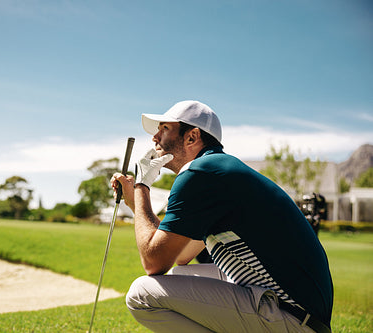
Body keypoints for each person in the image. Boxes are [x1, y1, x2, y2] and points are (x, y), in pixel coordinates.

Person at [111, 100, 333, 333]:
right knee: (179, 275)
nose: (155, 137)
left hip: (291, 317)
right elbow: (179, 254)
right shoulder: (215, 171)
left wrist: (142, 185)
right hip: (297, 314)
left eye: (164, 129)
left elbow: (153, 262)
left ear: (192, 137)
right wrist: (136, 203)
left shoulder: (198, 174)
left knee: (141, 294)